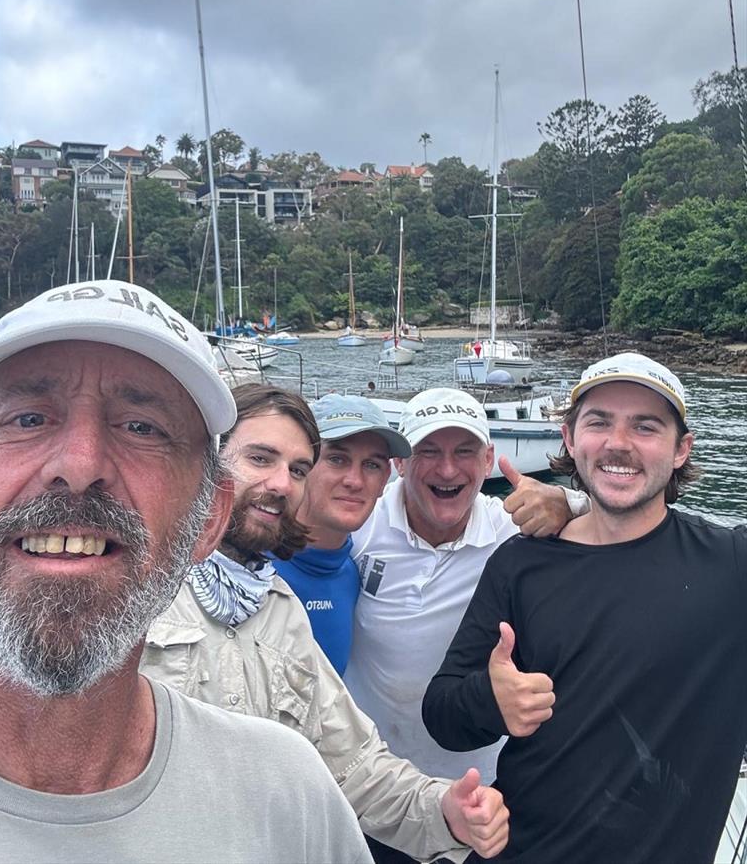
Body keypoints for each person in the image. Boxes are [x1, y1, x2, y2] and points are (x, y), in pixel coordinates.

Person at [0, 280, 371, 864]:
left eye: (141, 428)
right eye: (27, 418)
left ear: (208, 519)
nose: (79, 466)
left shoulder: (286, 797)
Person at [142, 384, 509, 862]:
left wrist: (443, 812)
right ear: (207, 459)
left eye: (296, 468)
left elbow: (350, 764)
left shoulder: (281, 607)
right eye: (260, 458)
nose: (280, 483)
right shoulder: (139, 585)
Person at [423, 353, 747, 864]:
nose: (618, 442)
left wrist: (568, 501)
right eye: (599, 422)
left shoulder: (731, 566)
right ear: (570, 439)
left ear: (681, 449)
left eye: (646, 426)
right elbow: (441, 714)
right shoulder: (521, 564)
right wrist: (491, 700)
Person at [342, 388, 587, 806]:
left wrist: (570, 501)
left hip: (477, 782)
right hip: (367, 777)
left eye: (465, 451)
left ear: (488, 459)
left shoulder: (512, 529)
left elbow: (630, 531)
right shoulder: (361, 523)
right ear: (400, 463)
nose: (448, 468)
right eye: (429, 451)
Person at [273, 393, 411, 674]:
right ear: (303, 466)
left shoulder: (350, 572)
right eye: (337, 459)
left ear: (385, 479)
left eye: (371, 465)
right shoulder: (251, 566)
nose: (354, 481)